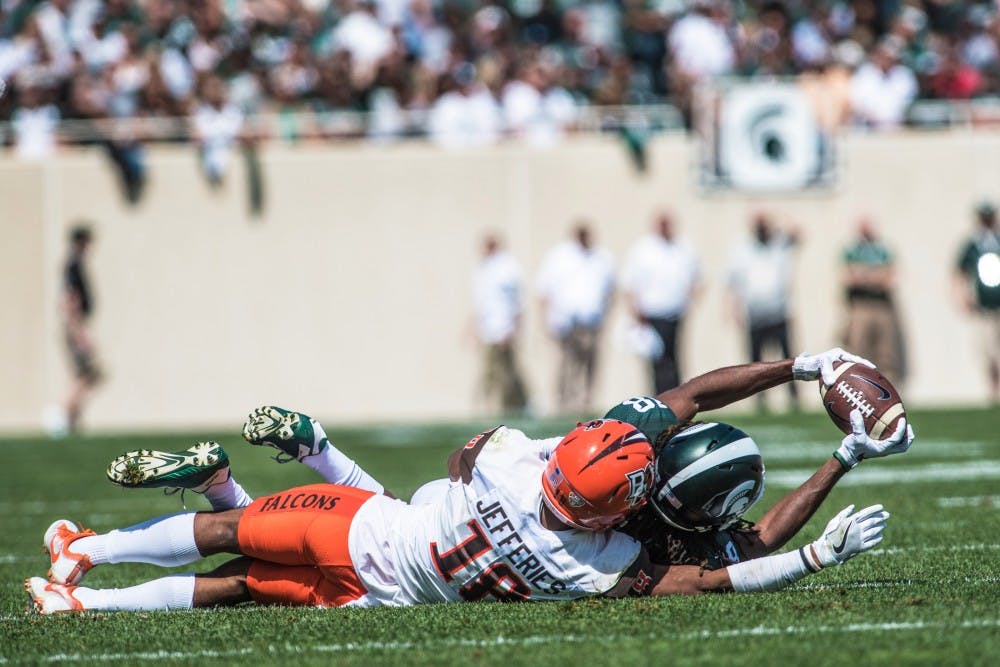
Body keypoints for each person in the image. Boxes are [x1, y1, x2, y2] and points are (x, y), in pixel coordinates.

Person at [26, 348, 910, 612]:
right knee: (240, 574)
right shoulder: (589, 565)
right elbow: (724, 570)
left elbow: (465, 459)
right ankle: (84, 577)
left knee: (241, 553)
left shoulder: (519, 452)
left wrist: (800, 364)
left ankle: (89, 555)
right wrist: (821, 538)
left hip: (382, 539)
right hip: (391, 581)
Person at [537, 223, 615, 413]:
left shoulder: (601, 258)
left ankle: (586, 401)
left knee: (589, 364)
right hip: (566, 322)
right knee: (566, 364)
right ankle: (564, 402)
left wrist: (605, 317)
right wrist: (546, 320)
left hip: (590, 322)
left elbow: (611, 290)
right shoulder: (559, 257)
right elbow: (544, 290)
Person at [726, 213, 800, 412]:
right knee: (756, 361)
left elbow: (798, 231)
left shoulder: (779, 244)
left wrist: (775, 220)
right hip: (755, 314)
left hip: (778, 312)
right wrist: (733, 310)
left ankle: (794, 398)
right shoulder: (742, 248)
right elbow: (733, 282)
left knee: (787, 361)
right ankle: (759, 400)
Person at [621, 212, 700, 393]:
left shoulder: (683, 248)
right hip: (651, 316)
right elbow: (629, 284)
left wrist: (689, 304)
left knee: (674, 359)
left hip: (674, 314)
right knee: (656, 361)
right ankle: (659, 398)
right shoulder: (642, 249)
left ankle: (677, 397)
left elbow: (698, 279)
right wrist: (635, 311)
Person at [841, 219, 906, 387]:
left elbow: (888, 278)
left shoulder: (882, 251)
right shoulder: (852, 251)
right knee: (858, 351)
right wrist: (874, 274)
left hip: (882, 307)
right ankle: (859, 389)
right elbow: (849, 278)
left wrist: (863, 274)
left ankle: (888, 391)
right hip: (860, 307)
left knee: (886, 353)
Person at [473, 234, 528, 414]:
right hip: (488, 330)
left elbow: (516, 302)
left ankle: (509, 407)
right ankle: (487, 406)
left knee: (506, 374)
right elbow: (481, 303)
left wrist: (513, 328)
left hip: (503, 329)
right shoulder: (484, 268)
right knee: (488, 372)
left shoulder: (507, 268)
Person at [954, 201, 1000, 403]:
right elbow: (960, 272)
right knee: (988, 351)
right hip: (983, 308)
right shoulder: (973, 245)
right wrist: (963, 296)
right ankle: (994, 391)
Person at [62, 225, 102, 434]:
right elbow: (71, 301)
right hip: (75, 327)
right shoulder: (73, 266)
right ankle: (63, 417)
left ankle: (72, 421)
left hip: (77, 325)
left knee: (88, 374)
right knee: (84, 375)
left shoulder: (75, 265)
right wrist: (80, 332)